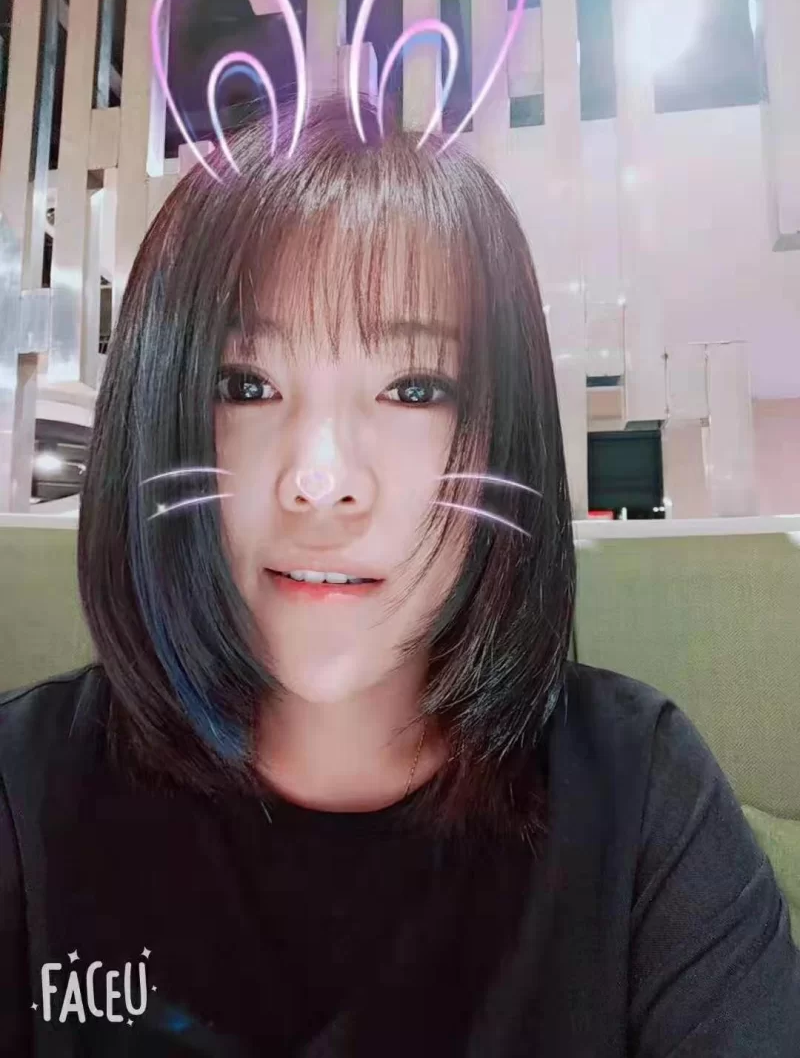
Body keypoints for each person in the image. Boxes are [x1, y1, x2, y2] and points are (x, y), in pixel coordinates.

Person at [0, 94, 797, 1058]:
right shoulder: (26, 790)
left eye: (415, 388)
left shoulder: (637, 796)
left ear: (504, 433)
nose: (320, 480)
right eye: (245, 385)